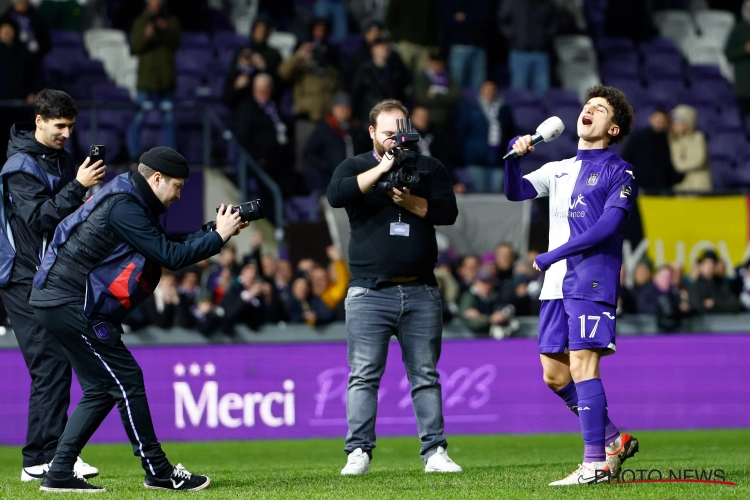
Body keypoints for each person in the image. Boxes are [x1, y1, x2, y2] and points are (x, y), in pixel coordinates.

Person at [29, 146, 246, 492]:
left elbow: (161, 245)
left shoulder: (129, 196)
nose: (178, 195)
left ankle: (59, 471)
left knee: (101, 388)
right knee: (127, 378)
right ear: (157, 179)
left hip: (58, 298)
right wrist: (218, 238)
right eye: (176, 186)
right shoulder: (125, 206)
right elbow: (169, 256)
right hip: (71, 301)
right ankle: (158, 471)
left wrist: (213, 231)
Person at [504, 85, 640, 485]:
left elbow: (607, 227)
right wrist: (513, 158)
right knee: (554, 375)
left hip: (591, 277)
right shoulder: (558, 168)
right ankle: (614, 439)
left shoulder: (620, 171)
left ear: (612, 129)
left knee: (583, 367)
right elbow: (515, 191)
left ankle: (594, 464)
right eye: (587, 106)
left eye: (599, 109)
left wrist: (552, 255)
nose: (589, 111)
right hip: (555, 286)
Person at [326, 99, 461, 475]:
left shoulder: (428, 167)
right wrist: (382, 168)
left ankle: (435, 452)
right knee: (364, 375)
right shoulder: (356, 165)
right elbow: (336, 194)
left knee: (425, 375)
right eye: (388, 134)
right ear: (372, 132)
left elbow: (448, 213)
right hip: (370, 292)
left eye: (401, 133)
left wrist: (414, 202)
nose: (395, 141)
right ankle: (358, 453)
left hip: (421, 290)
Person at [0, 89, 102, 483]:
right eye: (60, 126)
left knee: (56, 362)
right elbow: (40, 219)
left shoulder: (56, 159)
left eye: (71, 127)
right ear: (39, 120)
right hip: (21, 277)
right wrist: (77, 186)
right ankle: (38, 460)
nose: (66, 133)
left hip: (46, 276)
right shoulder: (19, 166)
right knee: (50, 362)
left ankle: (52, 454)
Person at [127, 0, 181, 160]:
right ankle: (133, 153)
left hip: (166, 79)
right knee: (138, 117)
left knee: (169, 118)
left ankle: (171, 155)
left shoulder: (171, 22)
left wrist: (166, 30)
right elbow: (135, 47)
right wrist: (146, 36)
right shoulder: (140, 22)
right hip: (147, 79)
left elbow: (177, 43)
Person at [620, 108, 682, 194]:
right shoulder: (638, 137)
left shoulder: (669, 140)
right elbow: (626, 158)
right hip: (639, 186)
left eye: (663, 120)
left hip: (661, 188)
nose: (660, 122)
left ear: (667, 123)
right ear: (651, 119)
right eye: (658, 119)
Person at [668, 105, 712, 193]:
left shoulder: (698, 137)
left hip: (699, 184)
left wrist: (680, 166)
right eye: (675, 122)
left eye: (681, 121)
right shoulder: (673, 140)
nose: (677, 125)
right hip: (681, 185)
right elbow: (675, 161)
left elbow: (698, 160)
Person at [725, 1, 750, 123]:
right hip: (744, 85)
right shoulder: (739, 29)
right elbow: (728, 53)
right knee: (742, 119)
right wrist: (744, 49)